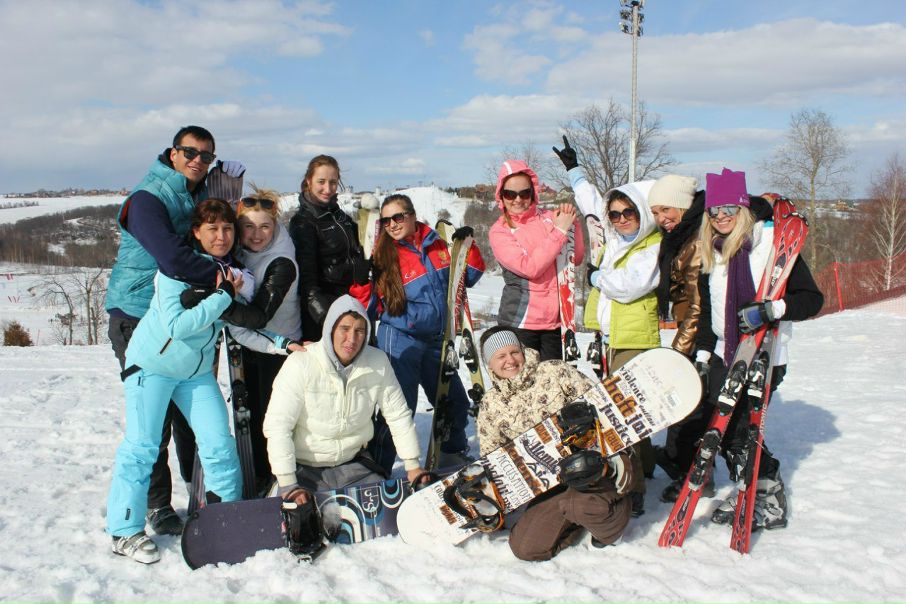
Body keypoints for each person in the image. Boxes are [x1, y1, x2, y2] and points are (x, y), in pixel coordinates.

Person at [105, 125, 245, 536]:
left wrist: (229, 195)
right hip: (138, 314)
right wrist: (227, 282)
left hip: (191, 316)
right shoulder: (147, 199)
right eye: (190, 152)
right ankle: (157, 506)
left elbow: (215, 231)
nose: (198, 160)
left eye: (206, 155)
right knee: (155, 425)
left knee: (195, 422)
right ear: (172, 153)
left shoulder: (194, 193)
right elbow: (173, 258)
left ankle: (201, 494)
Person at [692, 168, 823, 530]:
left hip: (764, 353)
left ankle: (769, 496)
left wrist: (772, 309)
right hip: (724, 354)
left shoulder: (772, 247)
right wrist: (702, 357)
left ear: (743, 209)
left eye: (728, 210)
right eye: (714, 211)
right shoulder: (712, 253)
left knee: (741, 431)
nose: (721, 217)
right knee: (722, 432)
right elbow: (708, 314)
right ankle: (749, 488)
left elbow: (812, 300)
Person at [554, 137, 660, 517]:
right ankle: (644, 467)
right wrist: (574, 169)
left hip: (635, 340)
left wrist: (597, 277)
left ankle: (635, 487)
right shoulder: (616, 238)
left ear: (642, 212)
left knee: (625, 415)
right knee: (627, 410)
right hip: (612, 338)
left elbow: (631, 285)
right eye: (615, 214)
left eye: (628, 212)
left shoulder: (651, 245)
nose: (620, 219)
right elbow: (591, 203)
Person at [476, 326, 633, 561]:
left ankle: (613, 520)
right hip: (551, 484)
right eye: (501, 356)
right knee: (526, 548)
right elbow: (492, 456)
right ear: (490, 364)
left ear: (523, 351)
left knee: (582, 504)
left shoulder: (554, 371)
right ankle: (576, 520)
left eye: (514, 352)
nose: (510, 360)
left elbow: (603, 406)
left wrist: (618, 453)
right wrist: (491, 499)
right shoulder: (490, 405)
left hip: (593, 469)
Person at [354, 194, 485, 473]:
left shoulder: (438, 243)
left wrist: (466, 246)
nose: (392, 224)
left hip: (438, 338)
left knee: (454, 401)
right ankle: (380, 468)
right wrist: (360, 279)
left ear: (412, 215)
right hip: (400, 338)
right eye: (386, 220)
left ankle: (451, 454)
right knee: (399, 407)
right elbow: (367, 307)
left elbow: (470, 276)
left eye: (398, 217)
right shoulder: (382, 254)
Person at [263, 295, 428, 506]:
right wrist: (288, 483)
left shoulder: (377, 362)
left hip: (355, 467)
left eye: (359, 331)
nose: (352, 339)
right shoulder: (300, 363)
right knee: (298, 518)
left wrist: (412, 465)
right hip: (305, 471)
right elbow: (278, 426)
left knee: (385, 512)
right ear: (330, 329)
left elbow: (398, 415)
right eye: (345, 328)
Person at [226, 186, 304, 495]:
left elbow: (259, 316)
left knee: (273, 419)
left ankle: (278, 477)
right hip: (252, 345)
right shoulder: (243, 252)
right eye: (248, 226)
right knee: (252, 416)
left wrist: (221, 305)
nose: (257, 234)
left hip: (279, 350)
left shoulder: (281, 262)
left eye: (265, 227)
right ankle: (259, 473)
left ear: (275, 226)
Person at [645, 175, 713, 501]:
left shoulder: (696, 242)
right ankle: (680, 464)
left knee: (689, 411)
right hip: (688, 330)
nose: (662, 218)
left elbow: (698, 305)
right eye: (656, 212)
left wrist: (680, 352)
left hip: (698, 336)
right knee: (685, 409)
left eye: (666, 209)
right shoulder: (679, 237)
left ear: (683, 206)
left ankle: (693, 475)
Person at [488, 159, 585, 361]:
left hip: (556, 323)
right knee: (524, 379)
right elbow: (529, 268)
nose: (518, 200)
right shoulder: (500, 231)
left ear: (533, 193)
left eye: (524, 193)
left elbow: (574, 259)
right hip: (521, 323)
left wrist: (573, 224)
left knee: (553, 379)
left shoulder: (550, 218)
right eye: (510, 194)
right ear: (501, 196)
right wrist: (560, 231)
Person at [288, 155, 370, 341]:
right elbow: (307, 284)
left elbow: (359, 251)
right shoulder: (303, 222)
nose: (328, 188)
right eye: (321, 181)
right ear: (309, 181)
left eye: (333, 182)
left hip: (352, 304)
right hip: (325, 313)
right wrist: (329, 320)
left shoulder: (339, 216)